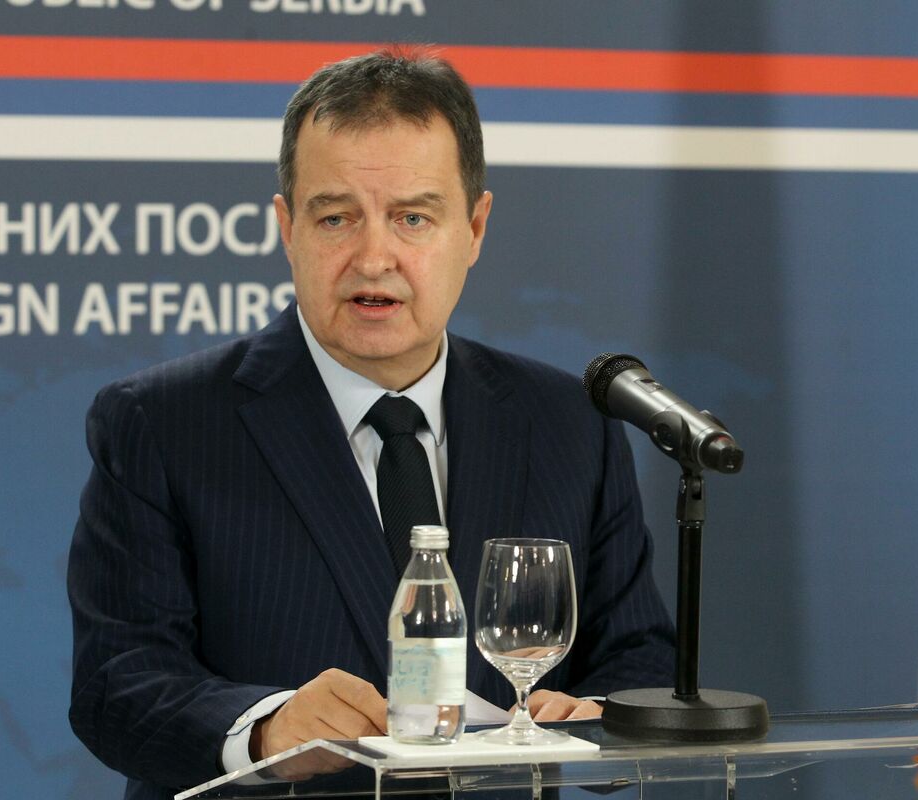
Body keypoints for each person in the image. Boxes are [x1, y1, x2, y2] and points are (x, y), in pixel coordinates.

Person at [68, 47, 675, 800]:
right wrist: (266, 730)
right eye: (336, 218)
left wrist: (600, 715)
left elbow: (638, 656)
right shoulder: (163, 423)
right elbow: (117, 685)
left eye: (412, 217)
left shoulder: (568, 423)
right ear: (287, 227)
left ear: (475, 228)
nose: (374, 256)